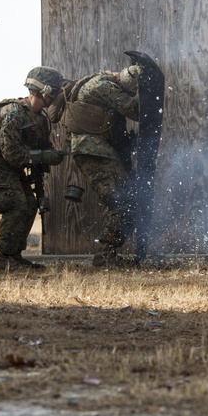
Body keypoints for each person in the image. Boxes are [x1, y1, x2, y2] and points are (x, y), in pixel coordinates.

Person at [0, 67, 65, 271]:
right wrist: (42, 157)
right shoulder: (13, 113)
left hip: (9, 165)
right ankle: (5, 258)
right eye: (53, 92)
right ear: (43, 91)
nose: (55, 97)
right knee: (17, 204)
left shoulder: (39, 117)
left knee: (29, 204)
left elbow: (39, 146)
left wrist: (52, 154)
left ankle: (14, 255)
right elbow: (11, 153)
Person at [53, 63, 143, 267]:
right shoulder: (103, 86)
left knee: (125, 200)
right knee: (123, 201)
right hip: (94, 151)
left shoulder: (101, 84)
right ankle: (105, 256)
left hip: (96, 150)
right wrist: (147, 94)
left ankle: (106, 253)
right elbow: (135, 109)